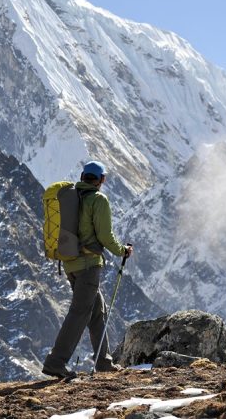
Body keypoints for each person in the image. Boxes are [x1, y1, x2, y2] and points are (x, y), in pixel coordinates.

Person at [42, 161, 134, 379]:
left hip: (70, 264)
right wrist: (123, 250)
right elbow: (105, 236)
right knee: (79, 313)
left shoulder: (70, 197)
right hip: (88, 265)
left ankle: (103, 361)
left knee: (96, 312)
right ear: (101, 180)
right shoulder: (98, 200)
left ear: (83, 176)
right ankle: (56, 362)